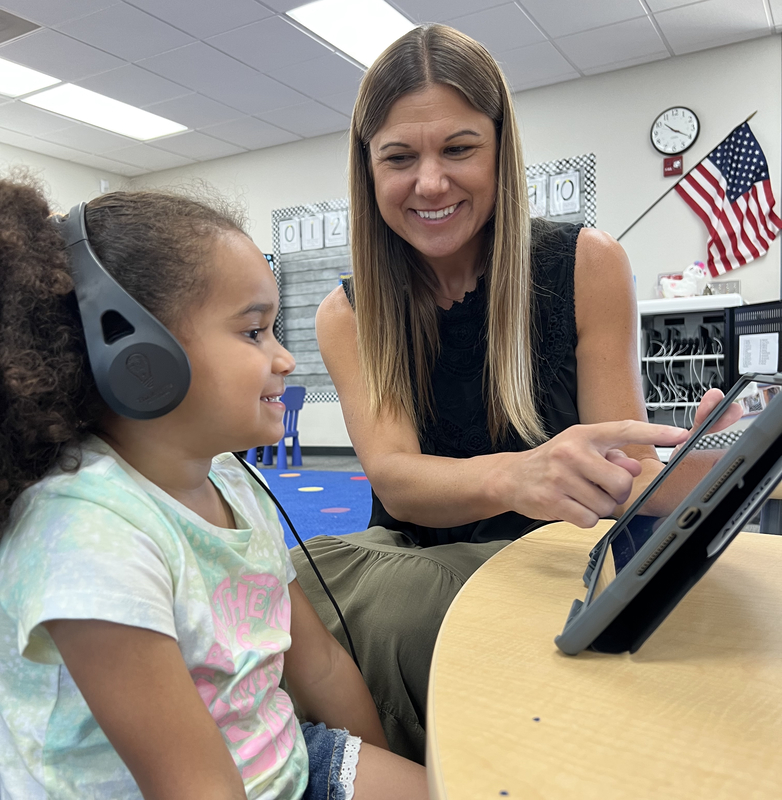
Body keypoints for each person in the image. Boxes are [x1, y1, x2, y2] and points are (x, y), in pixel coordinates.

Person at [289, 24, 714, 763]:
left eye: (458, 149)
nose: (430, 183)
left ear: (499, 148)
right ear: (368, 170)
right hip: (414, 559)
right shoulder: (346, 313)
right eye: (399, 157)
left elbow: (627, 471)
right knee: (281, 584)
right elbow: (398, 483)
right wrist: (520, 474)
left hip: (552, 563)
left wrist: (702, 470)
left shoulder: (587, 263)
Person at [0, 177, 428, 799]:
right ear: (136, 354)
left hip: (276, 758)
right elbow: (194, 787)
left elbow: (324, 668)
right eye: (254, 332)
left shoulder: (229, 479)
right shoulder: (86, 535)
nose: (284, 359)